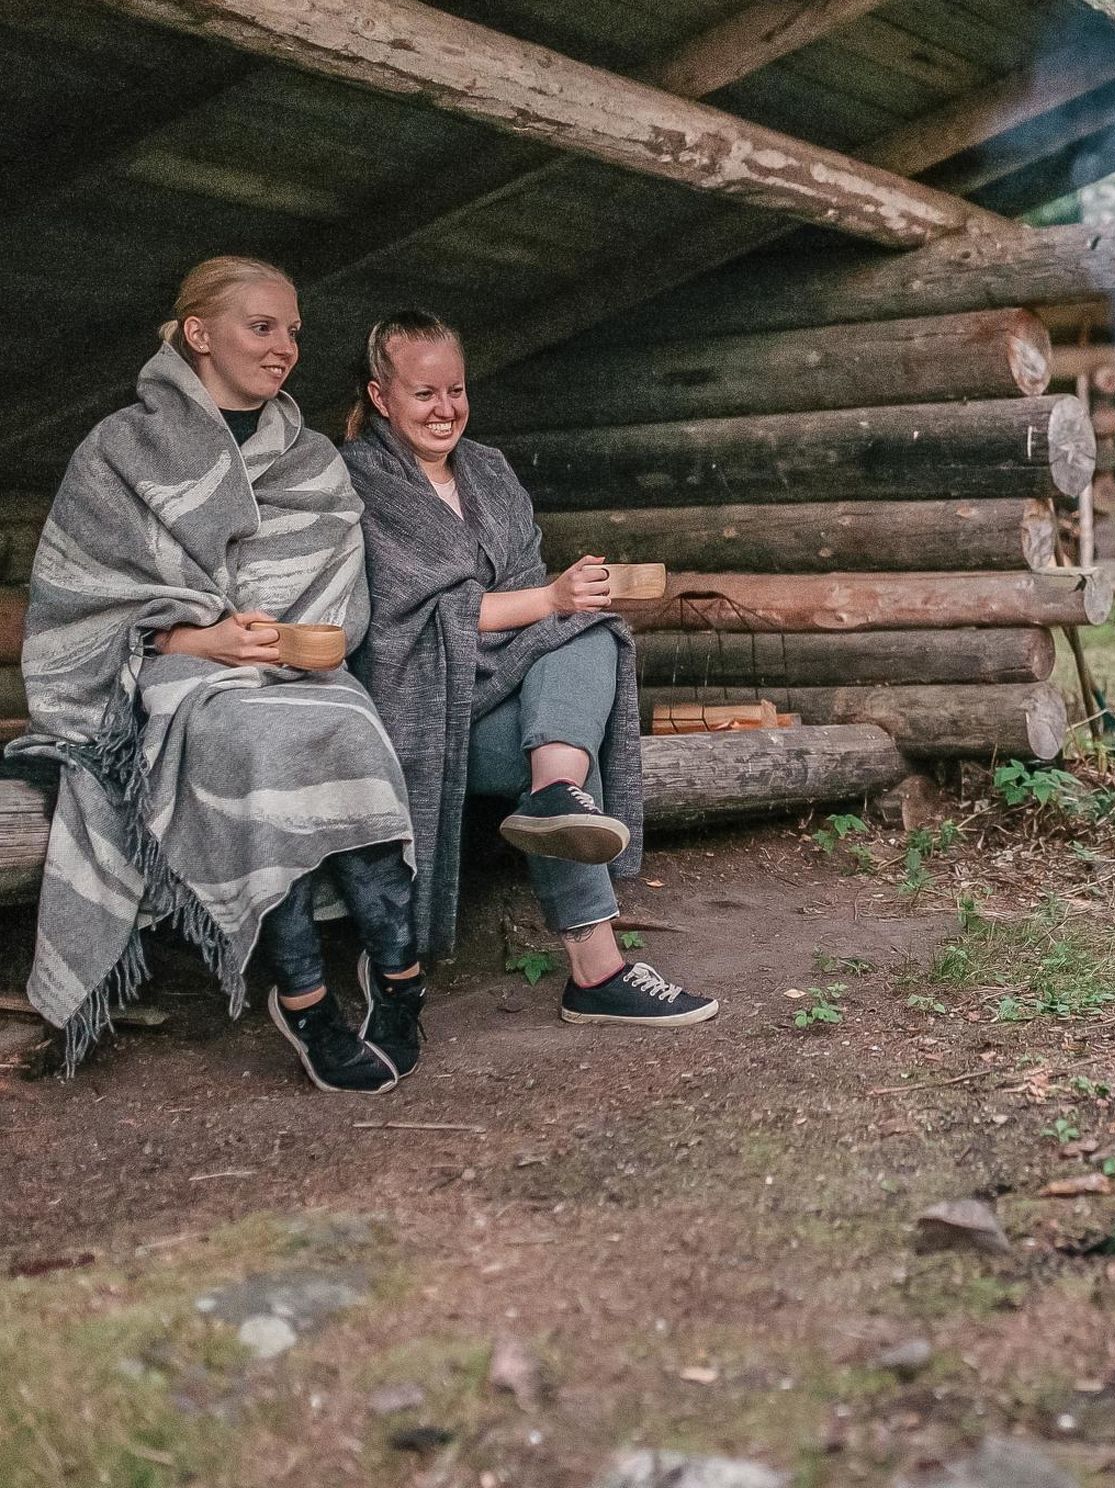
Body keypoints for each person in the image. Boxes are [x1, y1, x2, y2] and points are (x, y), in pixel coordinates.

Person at [9, 256, 423, 1093]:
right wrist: (202, 643)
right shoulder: (121, 450)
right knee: (249, 740)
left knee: (354, 728)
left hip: (293, 670)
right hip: (171, 677)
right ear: (200, 334)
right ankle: (304, 1000)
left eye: (293, 332)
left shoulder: (308, 457)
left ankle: (401, 980)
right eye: (261, 326)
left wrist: (296, 642)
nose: (285, 348)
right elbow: (85, 604)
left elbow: (337, 596)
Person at [340, 311, 716, 1027]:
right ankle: (596, 971)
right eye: (424, 394)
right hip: (421, 703)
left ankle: (556, 795)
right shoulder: (360, 481)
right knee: (566, 649)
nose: (445, 409)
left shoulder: (489, 470)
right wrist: (546, 598)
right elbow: (403, 614)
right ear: (382, 396)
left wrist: (552, 603)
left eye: (456, 390)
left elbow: (529, 606)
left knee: (592, 629)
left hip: (507, 685)